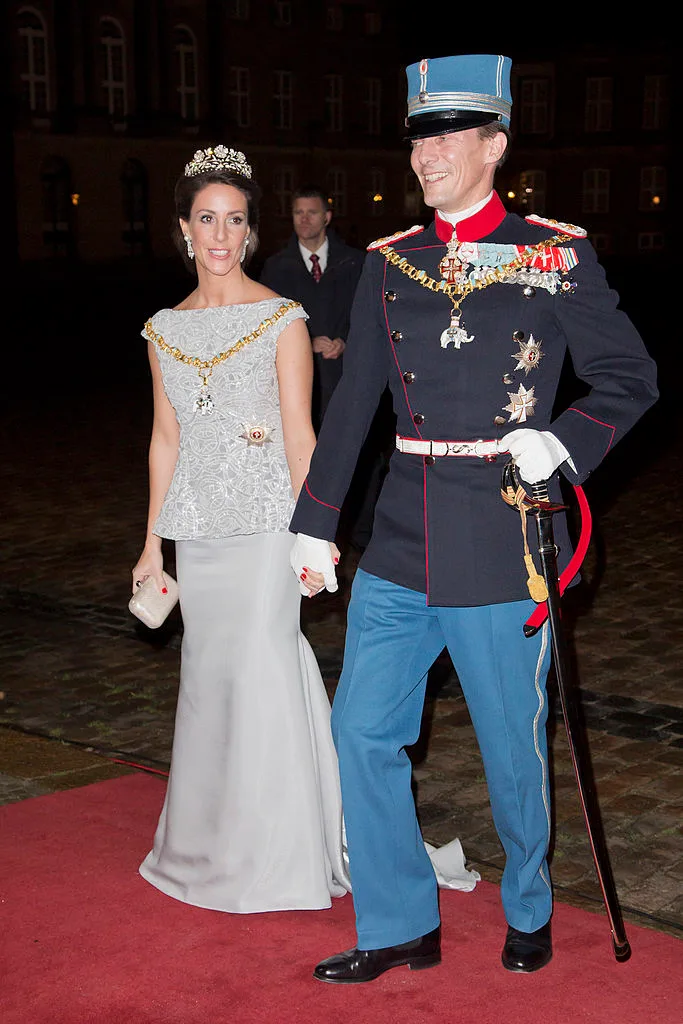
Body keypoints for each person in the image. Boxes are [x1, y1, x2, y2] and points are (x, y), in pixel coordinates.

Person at [288, 54, 658, 981]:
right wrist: (315, 520)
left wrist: (561, 443)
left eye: (449, 134)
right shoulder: (390, 263)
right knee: (360, 731)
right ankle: (399, 921)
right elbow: (354, 403)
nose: (428, 153)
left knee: (509, 745)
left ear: (494, 145)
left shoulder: (553, 254)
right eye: (419, 136)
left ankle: (527, 904)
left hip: (502, 537)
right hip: (400, 539)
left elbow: (629, 378)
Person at [131, 145, 350, 912]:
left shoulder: (281, 319)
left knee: (261, 668)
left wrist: (315, 530)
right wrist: (152, 543)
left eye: (233, 220)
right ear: (183, 229)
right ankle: (210, 845)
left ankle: (279, 854)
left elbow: (301, 436)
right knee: (210, 680)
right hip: (199, 531)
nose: (219, 235)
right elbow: (165, 439)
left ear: (252, 232)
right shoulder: (162, 329)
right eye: (206, 219)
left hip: (265, 529)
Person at [259, 186, 364, 430]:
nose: (304, 219)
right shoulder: (275, 268)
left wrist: (345, 341)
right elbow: (267, 325)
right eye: (298, 213)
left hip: (346, 377)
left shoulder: (355, 263)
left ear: (326, 217)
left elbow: (367, 316)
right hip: (298, 382)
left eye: (312, 213)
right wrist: (306, 341)